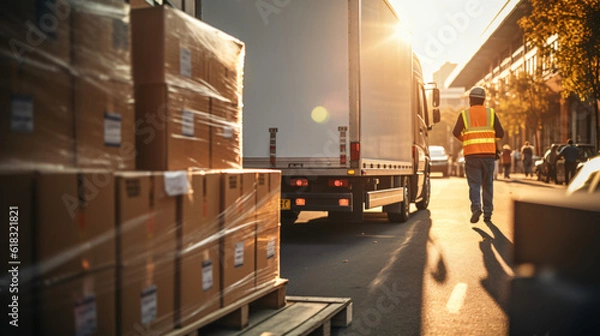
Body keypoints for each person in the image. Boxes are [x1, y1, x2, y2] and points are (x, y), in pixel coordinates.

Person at [453, 86, 504, 223]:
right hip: (488, 155)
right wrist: (489, 139)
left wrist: (466, 140)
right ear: (483, 100)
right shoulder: (491, 113)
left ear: (470, 99)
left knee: (474, 184)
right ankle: (488, 213)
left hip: (471, 155)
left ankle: (476, 207)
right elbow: (501, 134)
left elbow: (455, 132)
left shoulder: (464, 114)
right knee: (488, 184)